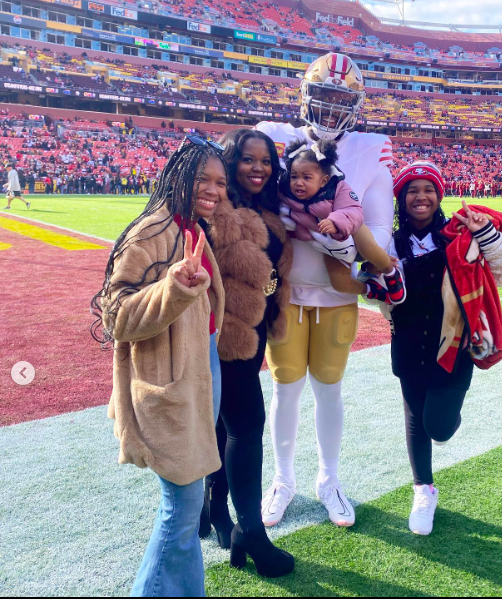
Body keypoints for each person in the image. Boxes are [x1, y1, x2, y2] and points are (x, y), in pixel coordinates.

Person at [255, 52, 395, 529]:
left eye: (341, 100)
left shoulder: (372, 149)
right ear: (305, 96)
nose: (332, 109)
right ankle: (283, 479)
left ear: (355, 105)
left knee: (328, 389)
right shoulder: (273, 138)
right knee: (285, 388)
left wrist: (347, 251)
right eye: (324, 97)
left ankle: (328, 479)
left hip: (337, 292)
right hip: (286, 290)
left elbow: (380, 225)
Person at [90, 136, 227, 597]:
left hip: (201, 370)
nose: (213, 189)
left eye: (220, 182)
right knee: (180, 511)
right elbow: (116, 317)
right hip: (167, 380)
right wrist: (173, 286)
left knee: (186, 511)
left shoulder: (192, 227)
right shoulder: (151, 232)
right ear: (179, 177)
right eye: (203, 179)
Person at [385, 161, 502, 537]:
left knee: (438, 427)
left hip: (454, 345)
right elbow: (378, 291)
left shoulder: (461, 236)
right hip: (408, 342)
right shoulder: (389, 241)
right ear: (401, 198)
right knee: (414, 417)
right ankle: (423, 489)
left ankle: (447, 419)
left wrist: (486, 234)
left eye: (428, 189)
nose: (420, 197)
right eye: (412, 190)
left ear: (439, 195)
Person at [199, 129, 295, 578]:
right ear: (231, 161)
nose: (259, 168)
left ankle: (213, 509)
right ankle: (251, 532)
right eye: (248, 159)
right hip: (225, 335)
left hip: (253, 332)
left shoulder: (267, 210)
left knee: (225, 424)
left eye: (266, 161)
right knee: (246, 426)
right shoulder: (218, 210)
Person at [279, 139, 404, 304]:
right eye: (294, 176)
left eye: (306, 177)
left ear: (323, 180)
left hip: (349, 229)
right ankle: (370, 290)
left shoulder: (337, 186)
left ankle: (390, 271)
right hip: (326, 239)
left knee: (368, 247)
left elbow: (353, 211)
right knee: (340, 283)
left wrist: (334, 221)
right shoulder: (285, 190)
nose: (298, 182)